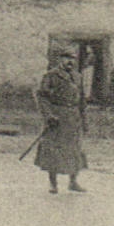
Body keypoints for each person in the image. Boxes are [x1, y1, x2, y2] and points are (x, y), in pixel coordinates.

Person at [33, 49, 86, 191]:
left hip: (73, 117)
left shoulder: (77, 76)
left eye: (72, 59)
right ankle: (53, 183)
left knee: (75, 148)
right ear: (59, 60)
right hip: (57, 116)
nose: (70, 62)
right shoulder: (51, 76)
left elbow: (81, 100)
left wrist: (83, 119)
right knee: (54, 148)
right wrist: (49, 115)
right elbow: (42, 97)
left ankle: (73, 181)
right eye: (66, 58)